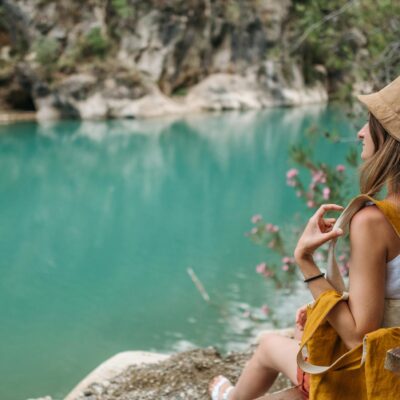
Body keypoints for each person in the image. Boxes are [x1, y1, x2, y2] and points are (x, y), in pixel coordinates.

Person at [209, 75, 400, 400]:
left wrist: (306, 261)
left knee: (270, 345)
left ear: (390, 141)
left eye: (371, 124)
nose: (361, 133)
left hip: (378, 380)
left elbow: (359, 336)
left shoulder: (373, 221)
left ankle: (229, 397)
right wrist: (327, 301)